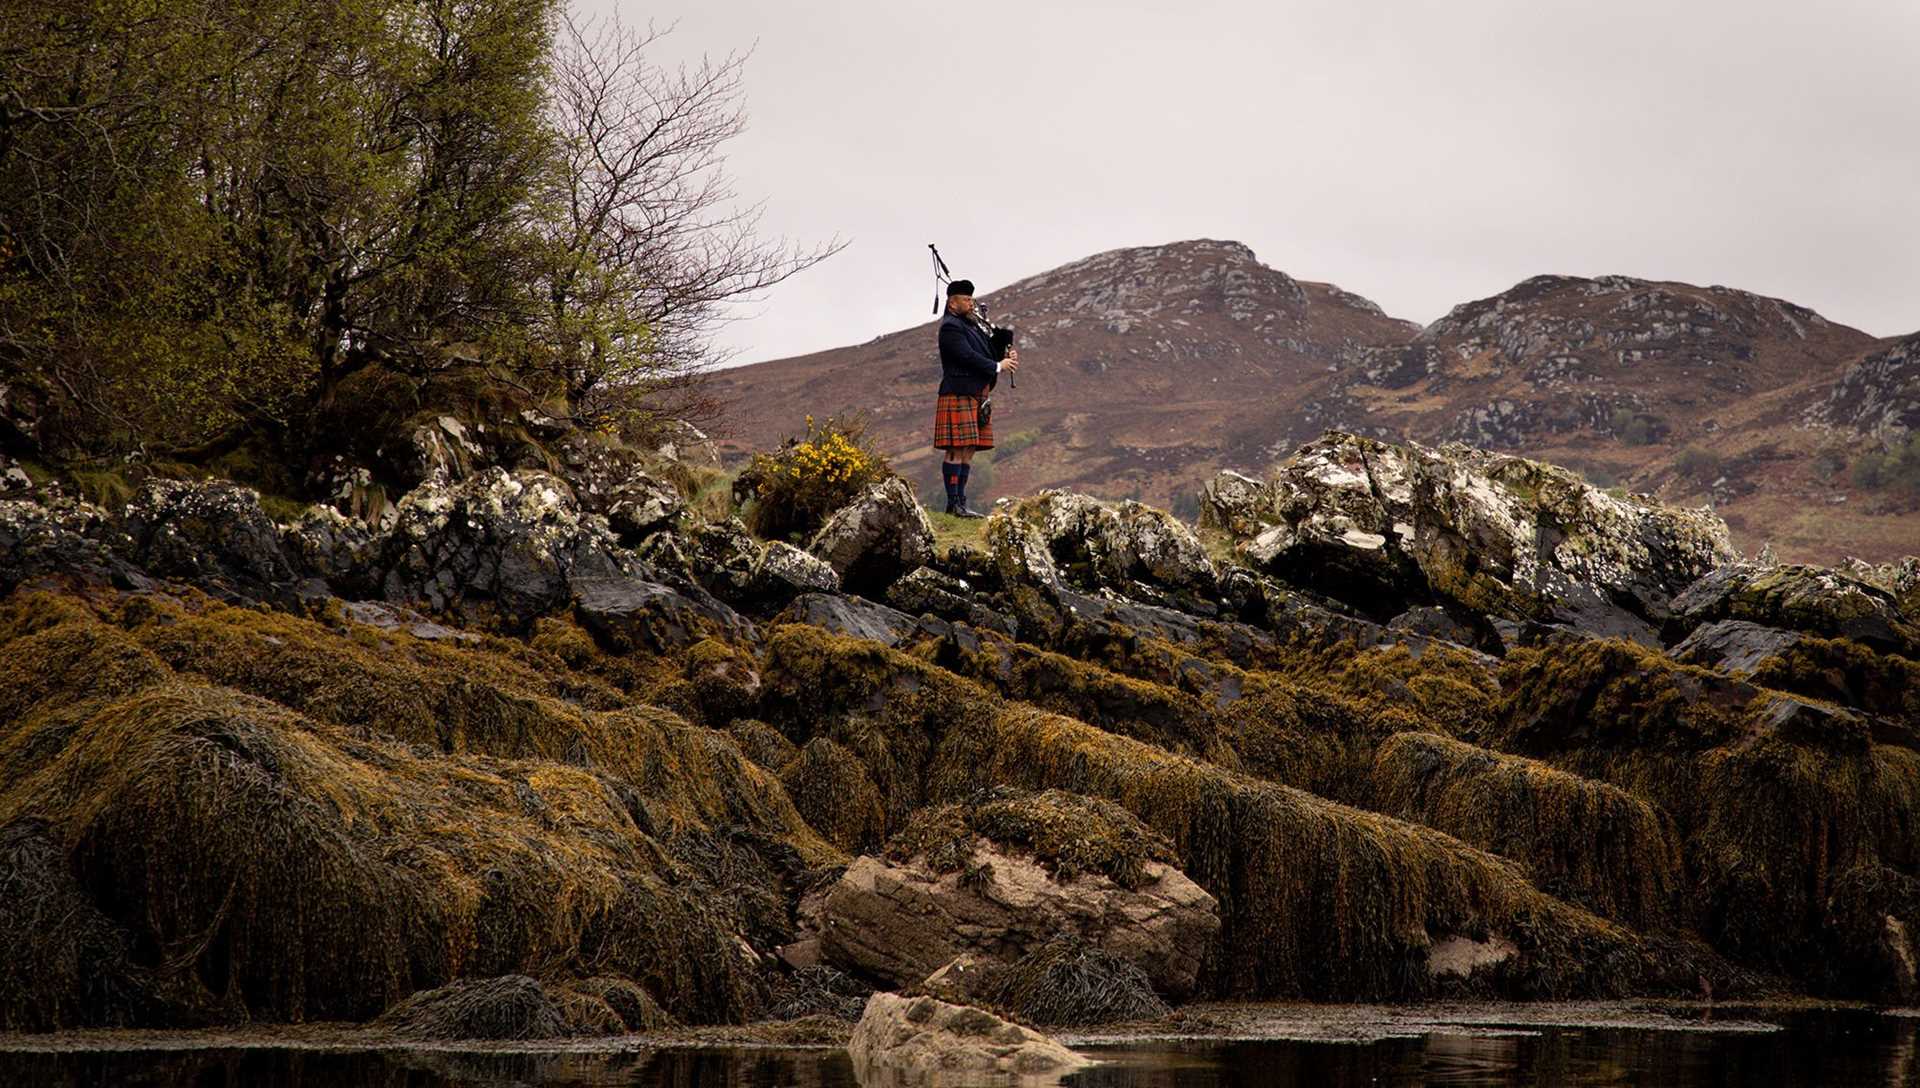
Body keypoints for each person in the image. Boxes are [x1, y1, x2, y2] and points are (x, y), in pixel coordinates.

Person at [932, 279, 1019, 517]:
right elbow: (966, 356)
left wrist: (1002, 347)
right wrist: (998, 366)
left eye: (971, 299)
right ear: (952, 302)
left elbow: (984, 352)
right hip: (958, 391)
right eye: (966, 300)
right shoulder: (950, 327)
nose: (971, 304)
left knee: (969, 448)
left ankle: (961, 502)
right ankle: (953, 504)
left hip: (976, 392)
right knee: (955, 449)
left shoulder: (970, 326)